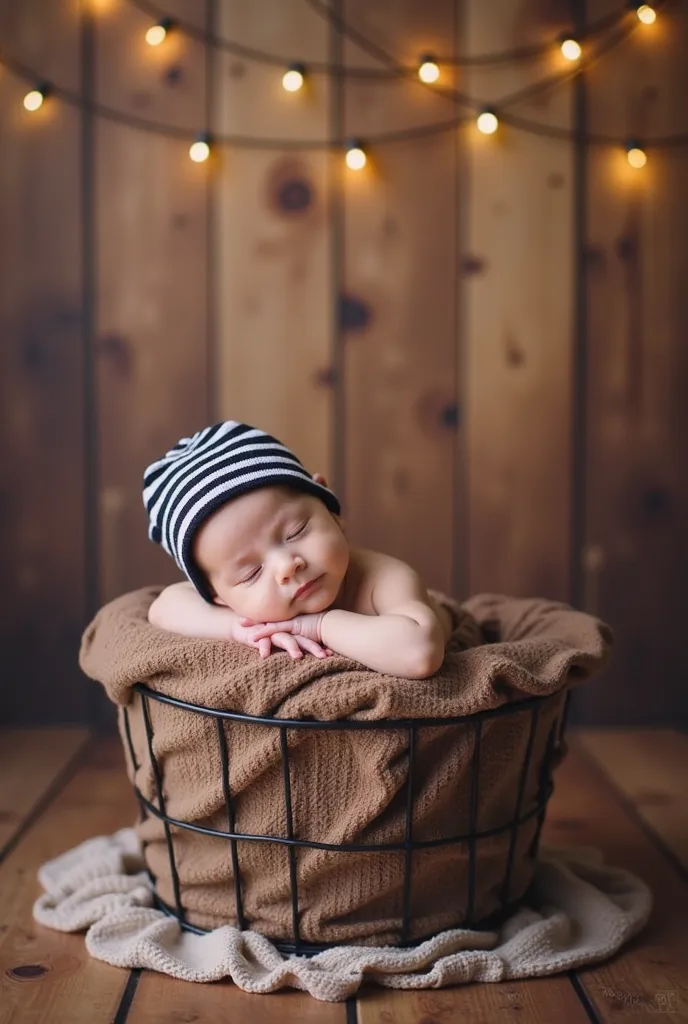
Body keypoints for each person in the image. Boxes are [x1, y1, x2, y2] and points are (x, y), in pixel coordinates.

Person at [143, 421, 454, 679]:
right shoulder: (235, 608)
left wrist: (318, 625)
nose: (286, 566)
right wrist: (239, 629)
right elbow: (162, 608)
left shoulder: (382, 578)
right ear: (217, 596)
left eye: (296, 532)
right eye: (251, 573)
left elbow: (419, 653)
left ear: (330, 508)